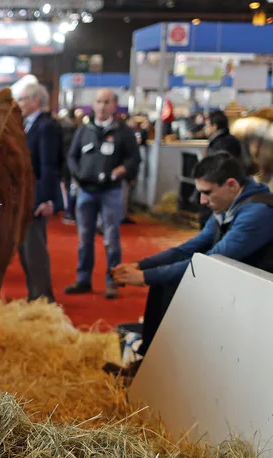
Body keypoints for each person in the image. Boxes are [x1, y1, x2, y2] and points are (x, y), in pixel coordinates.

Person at [109, 152, 273, 377]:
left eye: (207, 192)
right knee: (164, 283)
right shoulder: (230, 207)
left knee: (167, 283)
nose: (202, 201)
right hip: (240, 285)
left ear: (231, 185)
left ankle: (158, 366)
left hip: (260, 299)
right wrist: (142, 266)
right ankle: (149, 362)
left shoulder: (257, 213)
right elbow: (188, 248)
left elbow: (212, 261)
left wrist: (145, 277)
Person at [64, 88, 141, 299]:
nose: (101, 106)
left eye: (106, 102)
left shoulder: (123, 131)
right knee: (84, 239)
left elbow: (134, 159)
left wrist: (121, 170)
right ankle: (83, 280)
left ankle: (113, 281)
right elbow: (71, 156)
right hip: (86, 191)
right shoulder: (84, 129)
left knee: (111, 239)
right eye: (98, 101)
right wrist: (77, 173)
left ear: (114, 105)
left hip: (111, 191)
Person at [15, 81, 60, 302]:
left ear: (35, 101)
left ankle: (43, 297)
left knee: (35, 250)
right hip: (27, 196)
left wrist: (46, 199)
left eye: (22, 99)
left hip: (37, 197)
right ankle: (35, 294)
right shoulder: (28, 124)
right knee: (26, 249)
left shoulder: (45, 126)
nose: (19, 103)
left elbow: (48, 165)